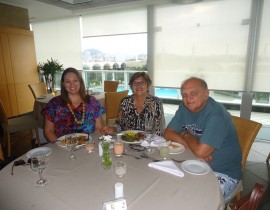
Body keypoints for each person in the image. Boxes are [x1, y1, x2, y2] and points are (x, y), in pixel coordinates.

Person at [164, 77, 242, 202]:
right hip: (194, 164)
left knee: (197, 202)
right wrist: (195, 149)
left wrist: (185, 134)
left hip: (222, 172)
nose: (188, 98)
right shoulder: (184, 108)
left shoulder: (216, 114)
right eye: (184, 95)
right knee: (166, 188)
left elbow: (201, 152)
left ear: (206, 93)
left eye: (194, 93)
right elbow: (168, 133)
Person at [42, 67, 104, 143]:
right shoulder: (54, 104)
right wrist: (60, 145)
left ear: (80, 82)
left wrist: (90, 143)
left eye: (75, 80)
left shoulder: (92, 102)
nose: (72, 85)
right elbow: (48, 130)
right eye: (68, 81)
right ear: (63, 84)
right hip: (63, 149)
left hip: (89, 146)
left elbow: (99, 127)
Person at [114, 72, 165, 136]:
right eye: (135, 83)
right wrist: (113, 129)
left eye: (142, 83)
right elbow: (119, 124)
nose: (138, 86)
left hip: (149, 142)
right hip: (129, 140)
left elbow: (160, 129)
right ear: (131, 87)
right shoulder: (125, 102)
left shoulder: (156, 103)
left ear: (148, 86)